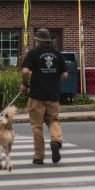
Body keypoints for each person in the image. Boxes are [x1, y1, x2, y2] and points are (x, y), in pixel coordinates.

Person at [20, 28, 68, 165]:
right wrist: (54, 79)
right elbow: (64, 74)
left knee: (37, 127)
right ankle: (56, 140)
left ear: (38, 41)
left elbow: (25, 71)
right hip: (53, 95)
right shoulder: (57, 54)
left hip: (36, 95)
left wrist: (24, 83)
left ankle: (39, 156)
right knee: (53, 120)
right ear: (49, 41)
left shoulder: (33, 53)